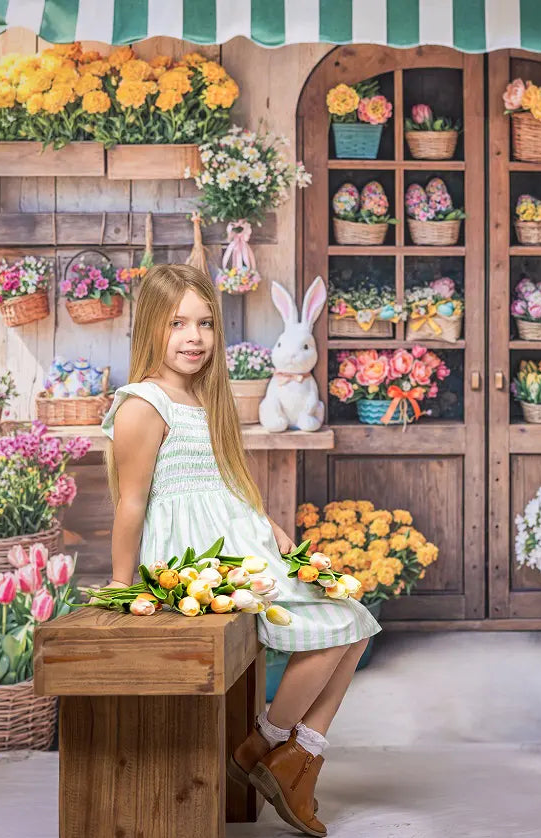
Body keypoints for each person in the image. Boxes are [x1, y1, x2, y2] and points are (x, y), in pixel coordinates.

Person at [101, 263, 379, 837]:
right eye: (177, 323)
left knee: (355, 622)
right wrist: (123, 588)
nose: (194, 337)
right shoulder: (142, 404)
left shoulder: (203, 398)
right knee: (339, 624)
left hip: (233, 538)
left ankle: (290, 755)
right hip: (195, 557)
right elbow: (131, 503)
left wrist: (267, 523)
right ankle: (270, 748)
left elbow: (222, 481)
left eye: (205, 323)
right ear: (150, 326)